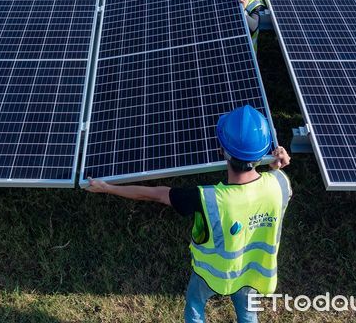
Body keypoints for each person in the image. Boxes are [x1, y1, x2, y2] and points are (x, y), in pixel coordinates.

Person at [86, 105, 292, 323]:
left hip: (210, 274)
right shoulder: (280, 183)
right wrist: (276, 167)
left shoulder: (208, 198)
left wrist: (107, 188)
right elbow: (275, 187)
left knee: (195, 305)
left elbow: (157, 195)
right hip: (252, 272)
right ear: (264, 152)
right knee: (248, 314)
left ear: (224, 151)